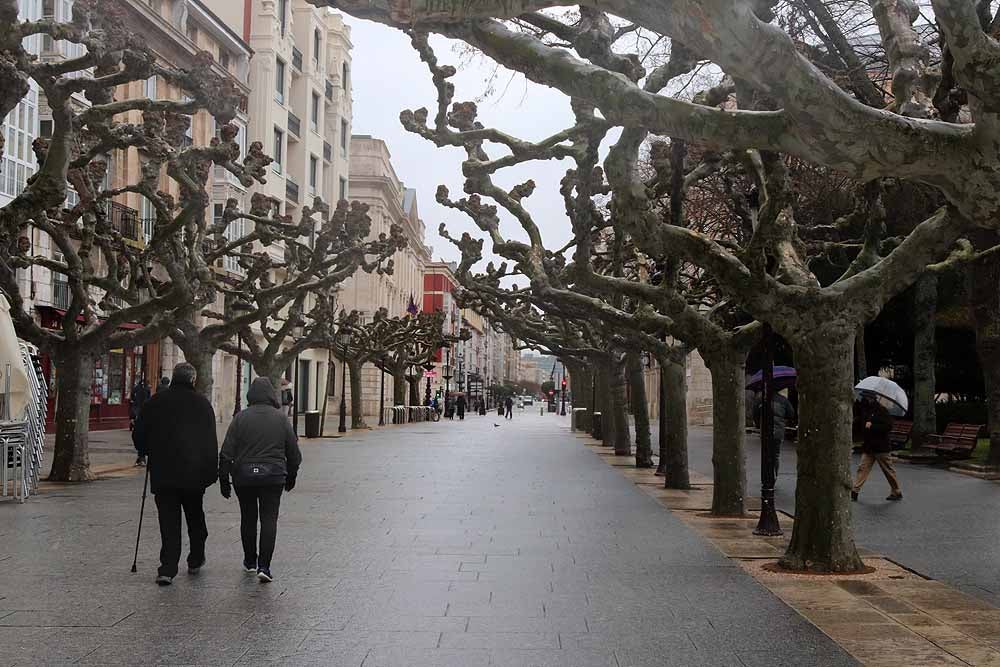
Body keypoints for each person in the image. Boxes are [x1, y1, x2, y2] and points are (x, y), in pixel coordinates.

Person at [132, 363, 218, 586]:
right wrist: (211, 471)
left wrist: (145, 450)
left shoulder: (155, 402)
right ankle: (195, 559)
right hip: (194, 474)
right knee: (195, 517)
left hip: (164, 472)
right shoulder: (202, 404)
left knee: (168, 522)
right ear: (193, 379)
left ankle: (168, 568)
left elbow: (139, 433)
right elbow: (210, 441)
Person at [219, 378, 302, 583]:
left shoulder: (240, 418)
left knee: (248, 518)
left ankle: (249, 561)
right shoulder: (281, 419)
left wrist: (223, 479)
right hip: (273, 476)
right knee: (268, 519)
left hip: (244, 476)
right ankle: (264, 566)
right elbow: (294, 454)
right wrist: (291, 476)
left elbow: (226, 452)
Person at [852, 393, 902, 502]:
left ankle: (896, 491)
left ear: (871, 398)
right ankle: (855, 491)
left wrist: (872, 426)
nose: (863, 400)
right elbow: (862, 425)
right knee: (862, 468)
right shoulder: (865, 410)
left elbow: (888, 426)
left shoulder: (881, 410)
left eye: (865, 397)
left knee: (888, 471)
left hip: (881, 447)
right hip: (869, 447)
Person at [755, 389, 796, 475]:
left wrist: (758, 424)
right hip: (778, 431)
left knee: (766, 453)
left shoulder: (761, 399)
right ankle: (774, 474)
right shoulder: (783, 400)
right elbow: (791, 414)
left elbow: (755, 413)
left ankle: (766, 474)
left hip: (765, 430)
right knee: (776, 455)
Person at [129, 377, 151, 462]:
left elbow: (132, 394)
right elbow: (149, 397)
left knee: (139, 427)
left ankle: (141, 457)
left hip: (137, 407)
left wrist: (133, 400)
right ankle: (141, 457)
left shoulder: (136, 388)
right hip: (143, 408)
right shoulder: (147, 389)